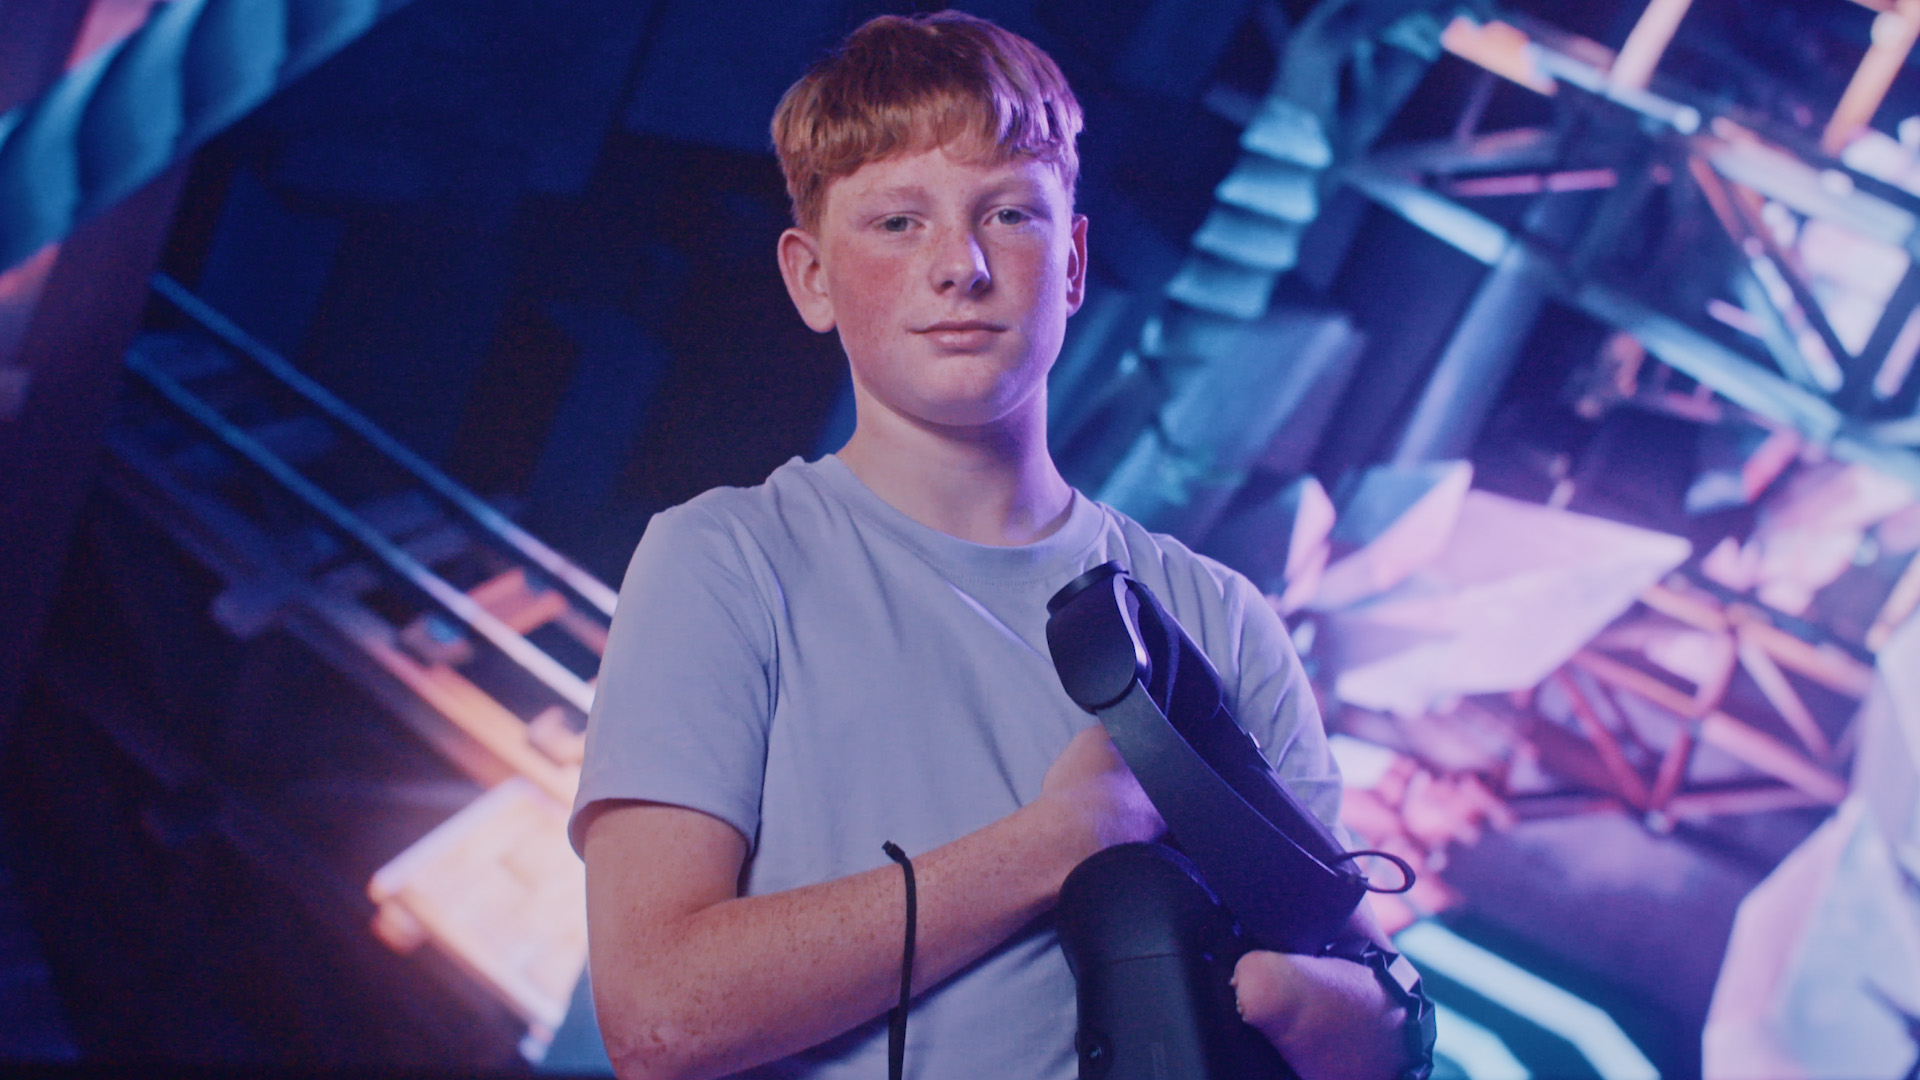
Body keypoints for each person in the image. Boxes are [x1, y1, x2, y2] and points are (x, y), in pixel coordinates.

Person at [571, 11, 1419, 1079]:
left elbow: (1371, 1005)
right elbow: (658, 1018)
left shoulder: (1219, 617)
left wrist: (1279, 999)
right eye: (896, 223)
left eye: (1008, 213)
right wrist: (1060, 841)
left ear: (1070, 262)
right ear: (811, 278)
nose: (960, 266)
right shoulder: (724, 562)